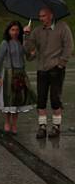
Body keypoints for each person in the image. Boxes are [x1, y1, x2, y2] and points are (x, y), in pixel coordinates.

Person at [23, 7, 73, 138]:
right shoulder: (37, 31)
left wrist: (61, 63)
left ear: (51, 16)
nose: (41, 19)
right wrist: (26, 35)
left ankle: (56, 126)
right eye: (40, 16)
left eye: (43, 16)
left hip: (56, 68)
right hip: (42, 69)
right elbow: (29, 50)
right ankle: (42, 126)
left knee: (55, 99)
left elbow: (69, 46)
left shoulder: (62, 27)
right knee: (41, 99)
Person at [0, 21, 36, 134]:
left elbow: (28, 57)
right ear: (8, 31)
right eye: (12, 30)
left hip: (20, 73)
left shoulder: (21, 42)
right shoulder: (5, 43)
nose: (15, 32)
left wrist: (32, 53)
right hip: (9, 74)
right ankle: (7, 122)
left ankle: (14, 124)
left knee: (18, 100)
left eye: (17, 30)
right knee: (9, 100)